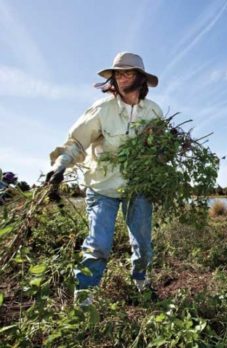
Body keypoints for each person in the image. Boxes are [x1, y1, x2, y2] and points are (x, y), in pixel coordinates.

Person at [46, 52, 163, 306]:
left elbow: (161, 150)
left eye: (128, 73)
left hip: (138, 187)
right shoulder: (101, 110)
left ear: (141, 79)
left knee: (143, 243)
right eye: (118, 73)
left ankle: (141, 282)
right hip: (102, 187)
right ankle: (85, 296)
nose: (122, 77)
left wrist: (167, 149)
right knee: (99, 243)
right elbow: (77, 142)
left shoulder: (153, 112)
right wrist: (60, 165)